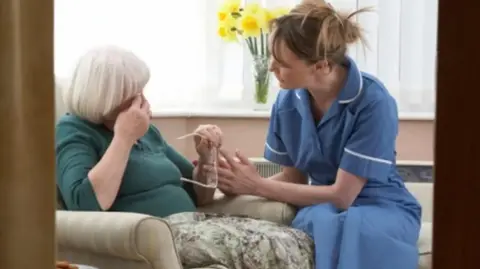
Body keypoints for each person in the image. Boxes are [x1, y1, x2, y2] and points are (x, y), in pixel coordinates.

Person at [55, 46, 314, 269]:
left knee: (297, 240)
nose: (143, 101)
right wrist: (123, 137)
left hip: (193, 223)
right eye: (134, 94)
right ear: (106, 97)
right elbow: (86, 204)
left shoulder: (146, 133)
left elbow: (198, 194)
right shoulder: (75, 131)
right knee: (272, 249)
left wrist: (205, 157)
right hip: (164, 234)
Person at [216, 2, 422, 269]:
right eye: (271, 59)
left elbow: (342, 196)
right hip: (324, 206)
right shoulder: (287, 102)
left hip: (382, 206)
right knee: (321, 220)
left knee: (357, 228)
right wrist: (237, 183)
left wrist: (257, 185)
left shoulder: (373, 101)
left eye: (282, 64)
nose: (270, 69)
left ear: (322, 66)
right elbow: (294, 178)